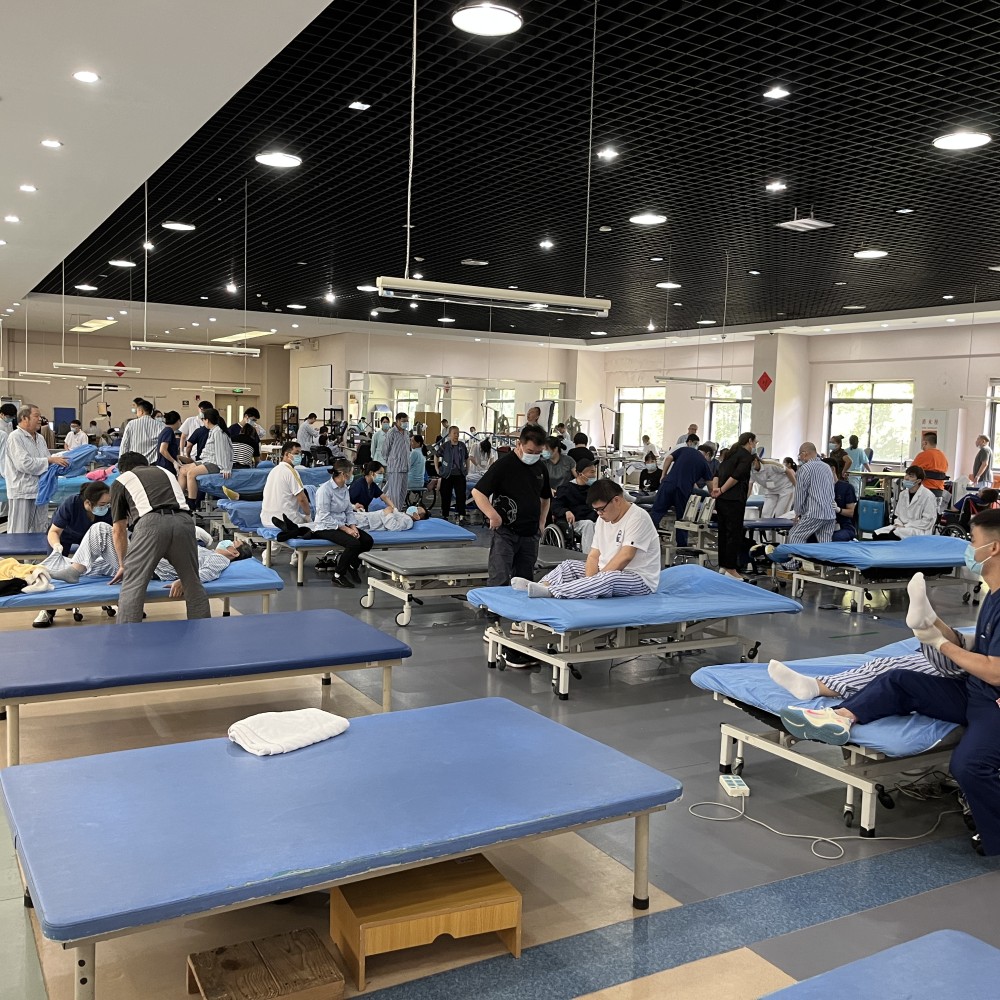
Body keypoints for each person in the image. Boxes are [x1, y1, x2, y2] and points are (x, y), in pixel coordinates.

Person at [779, 511, 1000, 855]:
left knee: (968, 766)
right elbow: (978, 649)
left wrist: (940, 645)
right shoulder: (993, 594)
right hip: (975, 690)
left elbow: (995, 671)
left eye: (972, 542)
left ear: (994, 548)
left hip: (994, 702)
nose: (968, 550)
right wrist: (937, 626)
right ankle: (840, 717)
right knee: (899, 678)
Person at [107, 452, 208, 623]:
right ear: (146, 464)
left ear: (123, 470)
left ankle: (127, 634)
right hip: (184, 522)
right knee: (192, 583)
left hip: (151, 525)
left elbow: (119, 530)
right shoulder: (166, 472)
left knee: (133, 585)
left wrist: (123, 564)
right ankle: (202, 629)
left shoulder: (121, 481)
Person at [519, 480, 660, 599]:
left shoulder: (638, 517)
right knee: (569, 565)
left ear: (616, 500)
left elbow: (626, 556)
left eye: (601, 509)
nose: (599, 514)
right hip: (606, 570)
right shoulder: (602, 520)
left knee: (608, 579)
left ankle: (551, 592)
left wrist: (595, 581)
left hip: (638, 578)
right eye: (596, 510)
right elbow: (593, 555)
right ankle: (542, 585)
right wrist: (591, 581)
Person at [43, 520, 251, 592]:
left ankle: (72, 571)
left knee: (102, 530)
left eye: (233, 544)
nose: (228, 542)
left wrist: (184, 581)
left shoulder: (220, 559)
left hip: (149, 566)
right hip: (147, 559)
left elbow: (208, 572)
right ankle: (43, 570)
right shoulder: (206, 550)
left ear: (234, 553)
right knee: (94, 563)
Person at [272, 459, 374, 588]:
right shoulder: (325, 490)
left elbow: (349, 511)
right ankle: (338, 576)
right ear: (343, 474)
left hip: (341, 524)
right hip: (325, 526)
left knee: (367, 541)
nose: (352, 475)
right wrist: (346, 529)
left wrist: (353, 527)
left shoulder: (344, 489)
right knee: (353, 543)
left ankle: (352, 565)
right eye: (351, 472)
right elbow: (325, 516)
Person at [472, 424, 550, 586]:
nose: (533, 456)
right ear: (519, 444)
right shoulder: (504, 465)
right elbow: (478, 493)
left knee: (524, 582)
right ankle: (493, 604)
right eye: (530, 451)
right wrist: (493, 515)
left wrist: (542, 522)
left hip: (530, 534)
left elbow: (545, 498)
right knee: (499, 579)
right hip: (506, 533)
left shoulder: (541, 467)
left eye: (538, 453)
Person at [30, 482, 115, 629]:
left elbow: (114, 533)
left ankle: (108, 598)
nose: (106, 507)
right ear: (87, 503)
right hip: (65, 536)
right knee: (55, 569)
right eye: (102, 504)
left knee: (100, 568)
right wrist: (57, 546)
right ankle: (48, 610)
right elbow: (54, 532)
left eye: (108, 504)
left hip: (93, 539)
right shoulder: (72, 504)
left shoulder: (108, 510)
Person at [3, 405, 70, 533]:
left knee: (40, 528)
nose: (40, 419)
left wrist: (60, 460)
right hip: (22, 491)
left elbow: (47, 459)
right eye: (36, 416)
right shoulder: (15, 437)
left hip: (40, 491)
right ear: (24, 418)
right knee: (19, 530)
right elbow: (24, 464)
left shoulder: (40, 438)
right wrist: (50, 460)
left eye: (40, 416)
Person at [710, 431, 756, 579]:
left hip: (722, 500)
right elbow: (736, 477)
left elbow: (716, 474)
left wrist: (716, 489)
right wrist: (722, 490)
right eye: (755, 442)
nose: (755, 445)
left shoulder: (730, 454)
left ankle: (724, 565)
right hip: (733, 500)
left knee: (723, 533)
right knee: (733, 534)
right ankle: (731, 569)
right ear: (750, 441)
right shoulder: (745, 456)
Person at [651, 443, 713, 545]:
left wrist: (663, 475)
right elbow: (711, 487)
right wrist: (713, 500)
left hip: (668, 484)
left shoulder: (685, 450)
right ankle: (681, 546)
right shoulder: (704, 463)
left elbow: (668, 458)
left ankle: (646, 539)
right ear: (708, 454)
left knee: (656, 513)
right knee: (682, 520)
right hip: (683, 490)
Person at [783, 442, 836, 548]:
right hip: (830, 513)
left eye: (799, 455)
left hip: (814, 513)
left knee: (795, 536)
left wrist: (797, 512)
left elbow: (800, 493)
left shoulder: (805, 468)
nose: (799, 458)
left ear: (804, 453)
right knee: (825, 543)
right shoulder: (826, 467)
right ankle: (827, 559)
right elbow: (832, 487)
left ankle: (795, 559)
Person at [177, 408, 233, 501]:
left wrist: (225, 468)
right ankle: (179, 499)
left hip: (215, 464)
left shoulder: (218, 432)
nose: (203, 422)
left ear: (207, 420)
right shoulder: (213, 430)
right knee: (183, 470)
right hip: (206, 461)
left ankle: (192, 502)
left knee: (191, 473)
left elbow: (222, 451)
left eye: (203, 420)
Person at [871, 465, 937, 539]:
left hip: (918, 530)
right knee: (876, 534)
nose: (906, 478)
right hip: (901, 527)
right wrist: (898, 524)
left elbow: (927, 521)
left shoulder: (928, 496)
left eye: (911, 476)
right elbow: (897, 515)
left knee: (892, 536)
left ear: (918, 481)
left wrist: (906, 526)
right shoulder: (903, 494)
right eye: (906, 475)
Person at [552, 457, 599, 552]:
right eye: (592, 472)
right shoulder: (566, 489)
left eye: (595, 472)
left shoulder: (594, 488)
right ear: (580, 474)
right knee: (588, 525)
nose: (594, 475)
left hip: (593, 517)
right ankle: (588, 556)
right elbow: (556, 506)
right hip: (575, 521)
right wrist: (566, 511)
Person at [261, 442, 311, 527]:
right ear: (287, 454)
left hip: (266, 520)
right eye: (296, 453)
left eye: (300, 454)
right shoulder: (291, 472)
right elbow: (302, 499)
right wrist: (308, 516)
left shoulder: (273, 471)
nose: (299, 456)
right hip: (285, 521)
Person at [436, 423, 470, 521]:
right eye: (454, 433)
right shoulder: (445, 446)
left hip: (460, 474)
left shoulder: (462, 446)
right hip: (447, 474)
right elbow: (436, 455)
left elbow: (467, 458)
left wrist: (467, 469)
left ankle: (461, 514)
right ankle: (445, 514)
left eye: (458, 433)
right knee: (446, 495)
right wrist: (437, 469)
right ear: (450, 434)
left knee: (461, 495)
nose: (456, 435)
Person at [822, 457, 858, 541]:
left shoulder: (846, 488)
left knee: (835, 538)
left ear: (832, 469)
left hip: (844, 526)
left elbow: (852, 512)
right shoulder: (820, 488)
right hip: (824, 525)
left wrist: (838, 510)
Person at [118, 399, 161, 465]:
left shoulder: (131, 424)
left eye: (137, 411)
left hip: (135, 463)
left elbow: (124, 445)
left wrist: (121, 462)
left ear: (141, 411)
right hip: (153, 463)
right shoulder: (159, 425)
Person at [383, 412, 411, 511]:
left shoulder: (406, 433)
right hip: (395, 468)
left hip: (405, 467)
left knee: (403, 493)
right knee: (394, 494)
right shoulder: (391, 433)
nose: (405, 423)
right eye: (403, 421)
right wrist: (392, 461)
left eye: (407, 421)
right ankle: (394, 514)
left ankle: (398, 512)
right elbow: (385, 451)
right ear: (397, 421)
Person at [911, 431, 949, 499]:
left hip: (924, 493)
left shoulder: (923, 455)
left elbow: (910, 472)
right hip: (939, 494)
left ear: (925, 443)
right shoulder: (943, 456)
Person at [0, 402, 18, 521]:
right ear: (1, 414)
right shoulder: (2, 434)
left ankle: (4, 515)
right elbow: (3, 456)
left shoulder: (9, 424)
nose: (10, 419)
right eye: (8, 416)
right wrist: (6, 473)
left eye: (12, 417)